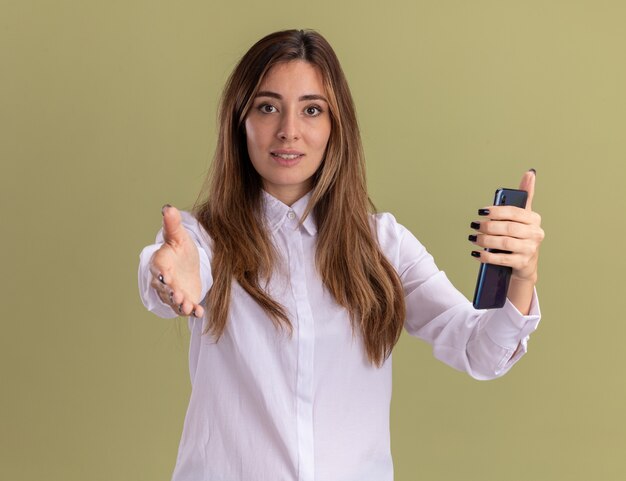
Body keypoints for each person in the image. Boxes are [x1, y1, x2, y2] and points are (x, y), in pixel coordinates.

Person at [138, 29, 544, 481]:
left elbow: (480, 350)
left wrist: (521, 275)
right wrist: (167, 278)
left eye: (312, 109)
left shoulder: (383, 245)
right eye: (267, 107)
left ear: (336, 126)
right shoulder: (204, 238)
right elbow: (166, 275)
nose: (288, 130)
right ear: (240, 121)